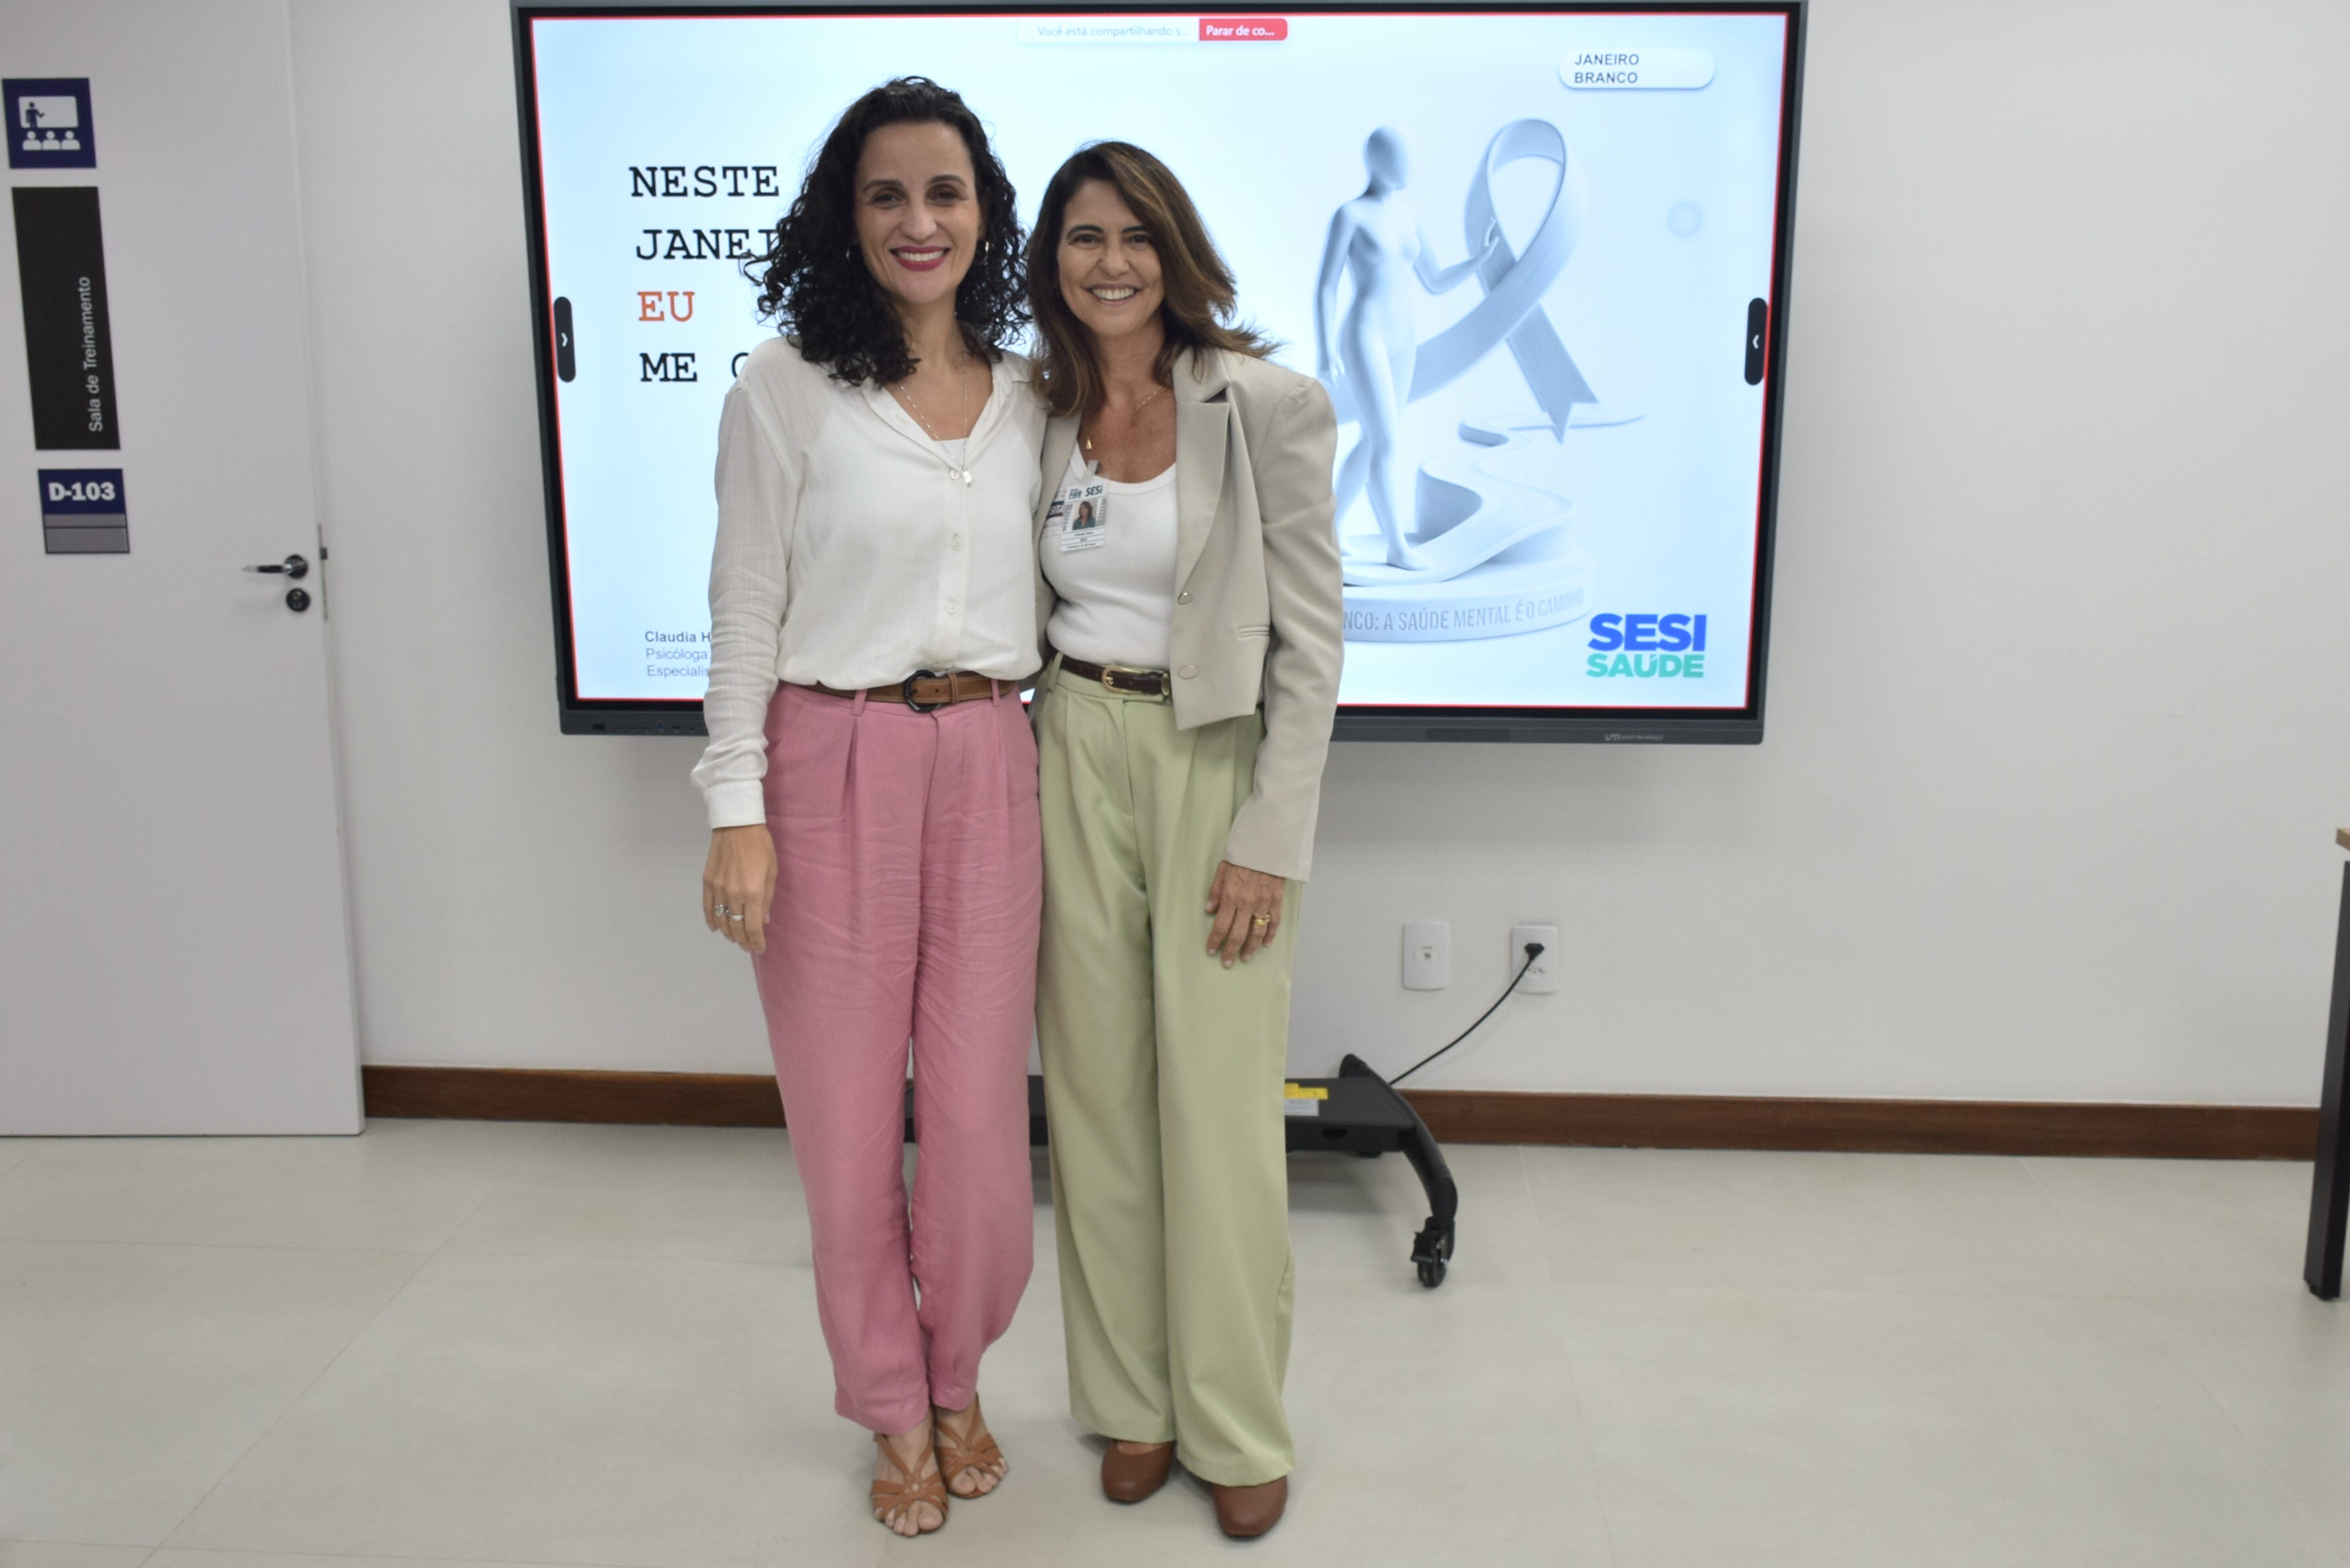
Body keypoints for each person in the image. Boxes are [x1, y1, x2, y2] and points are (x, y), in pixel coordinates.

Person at [691, 77, 1044, 1539]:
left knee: (975, 1127)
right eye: (886, 194)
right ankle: (894, 1406)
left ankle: (961, 1372)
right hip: (827, 761)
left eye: (945, 192)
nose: (918, 220)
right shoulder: (784, 387)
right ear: (847, 217)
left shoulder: (1034, 394)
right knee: (846, 1130)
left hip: (994, 758)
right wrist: (738, 805)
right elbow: (744, 603)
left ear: (985, 215)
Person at [1023, 141, 1344, 1540]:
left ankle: (1235, 1420)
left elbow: (1314, 644)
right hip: (1069, 743)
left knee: (1216, 1107)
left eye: (1135, 236)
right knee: (1097, 1098)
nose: (1111, 263)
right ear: (1052, 259)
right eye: (1083, 237)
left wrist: (1272, 835)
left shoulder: (1266, 404)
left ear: (1176, 250)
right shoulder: (1037, 408)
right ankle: (1135, 1403)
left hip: (1210, 755)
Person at [1313, 126, 1499, 569]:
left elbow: (1434, 281)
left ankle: (1330, 528)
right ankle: (1396, 546)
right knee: (1387, 440)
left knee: (1377, 438)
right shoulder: (1351, 215)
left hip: (1403, 336)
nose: (1411, 166)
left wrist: (1478, 260)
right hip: (1366, 334)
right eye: (1402, 156)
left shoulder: (1409, 216)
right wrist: (1325, 350)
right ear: (1378, 160)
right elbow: (1326, 286)